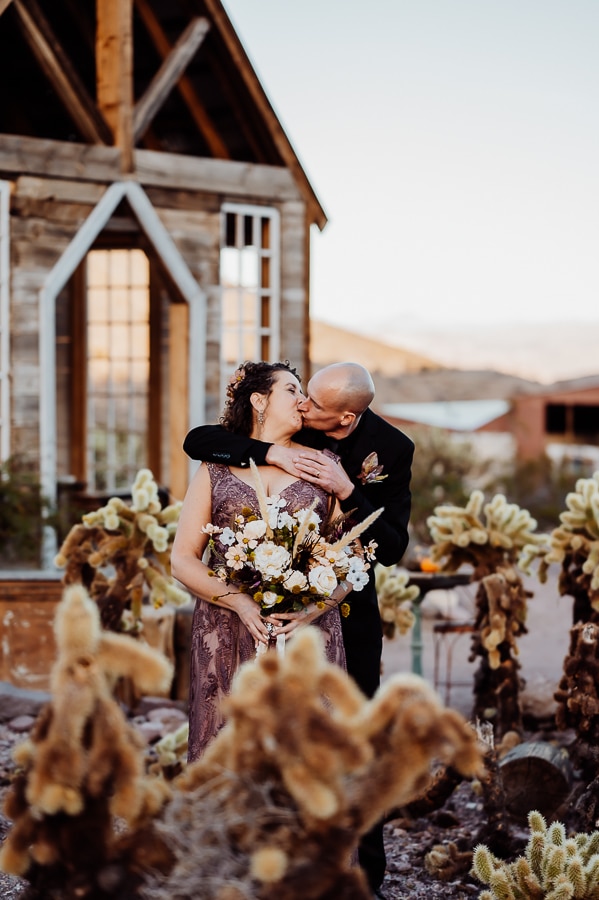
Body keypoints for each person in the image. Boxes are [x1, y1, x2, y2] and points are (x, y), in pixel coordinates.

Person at [183, 361, 414, 897]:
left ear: (348, 416)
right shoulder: (298, 428)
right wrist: (270, 452)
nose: (305, 407)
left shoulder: (392, 449)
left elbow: (391, 546)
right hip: (240, 623)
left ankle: (358, 878)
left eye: (314, 403)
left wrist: (351, 492)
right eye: (298, 394)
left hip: (339, 618)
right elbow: (203, 440)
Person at [171, 361, 349, 763]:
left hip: (305, 631)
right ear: (258, 400)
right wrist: (238, 600)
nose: (303, 402)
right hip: (227, 628)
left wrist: (315, 607)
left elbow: (351, 557)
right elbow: (182, 559)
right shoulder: (215, 468)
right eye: (291, 390)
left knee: (305, 758)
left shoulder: (323, 465)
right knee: (227, 754)